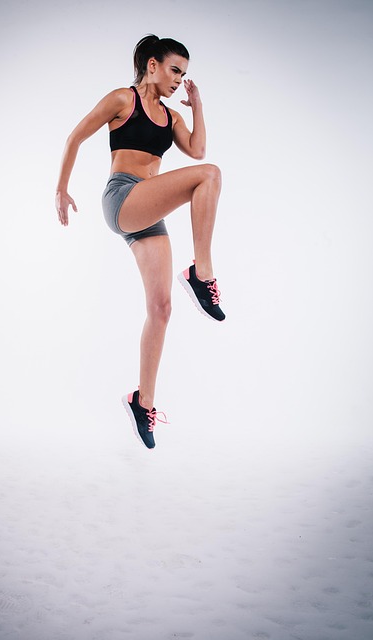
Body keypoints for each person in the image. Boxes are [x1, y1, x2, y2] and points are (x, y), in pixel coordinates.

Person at [56, 35, 225, 449]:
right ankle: (202, 273)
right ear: (152, 65)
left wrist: (197, 106)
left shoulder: (171, 116)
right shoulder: (123, 99)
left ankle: (142, 401)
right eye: (174, 70)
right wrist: (61, 188)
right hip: (122, 196)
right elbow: (75, 136)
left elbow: (197, 148)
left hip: (147, 212)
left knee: (161, 308)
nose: (178, 80)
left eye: (184, 74)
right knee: (209, 175)